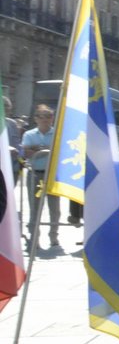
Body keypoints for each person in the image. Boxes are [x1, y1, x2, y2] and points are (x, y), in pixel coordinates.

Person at [20, 105, 60, 250]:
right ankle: (34, 237)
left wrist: (38, 149)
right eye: (41, 117)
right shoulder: (30, 134)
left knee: (54, 208)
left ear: (52, 118)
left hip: (52, 174)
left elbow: (59, 150)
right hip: (35, 173)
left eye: (48, 116)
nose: (45, 120)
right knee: (35, 207)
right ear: (36, 119)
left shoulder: (57, 133)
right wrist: (41, 150)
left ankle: (54, 236)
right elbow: (26, 152)